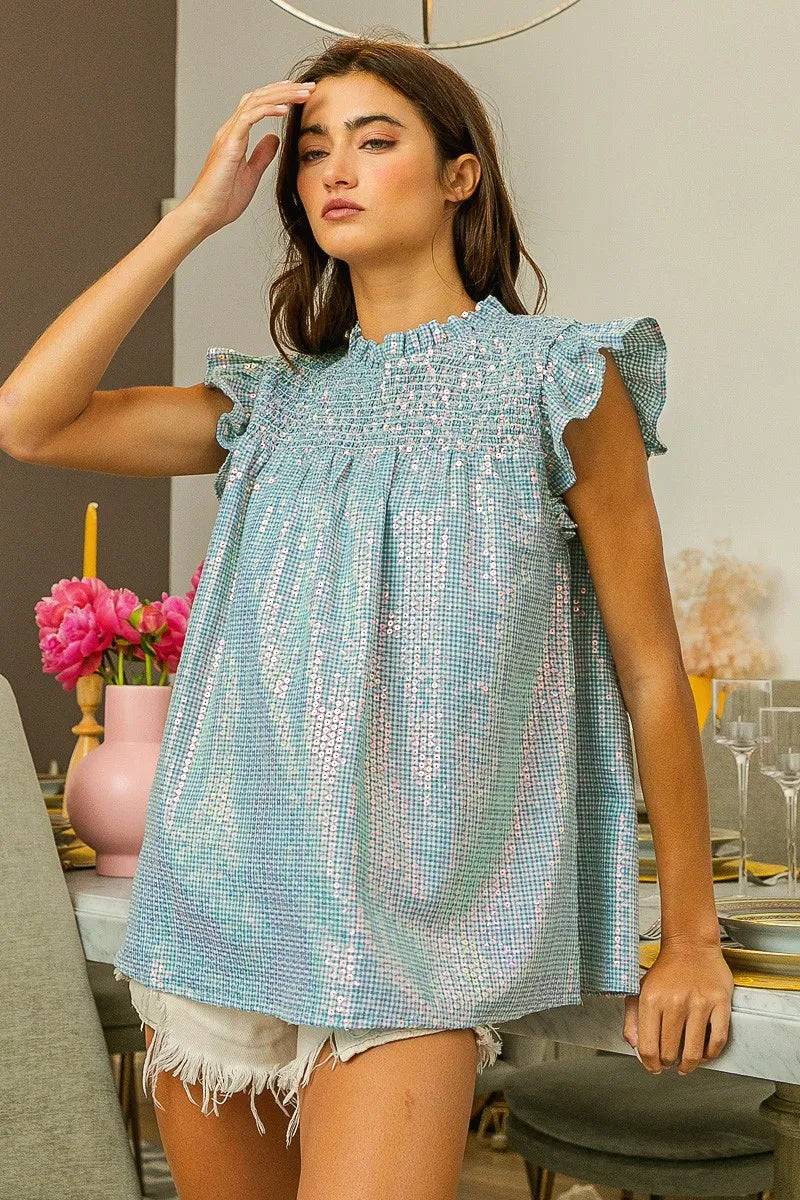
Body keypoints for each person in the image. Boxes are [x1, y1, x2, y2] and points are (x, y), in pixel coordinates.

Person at [0, 34, 734, 1200]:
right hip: (220, 906)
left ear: (459, 176)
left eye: (375, 140)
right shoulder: (272, 404)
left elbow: (649, 669)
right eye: (311, 151)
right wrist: (196, 216)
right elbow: (29, 421)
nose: (333, 169)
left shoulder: (556, 378)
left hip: (416, 936)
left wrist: (689, 939)